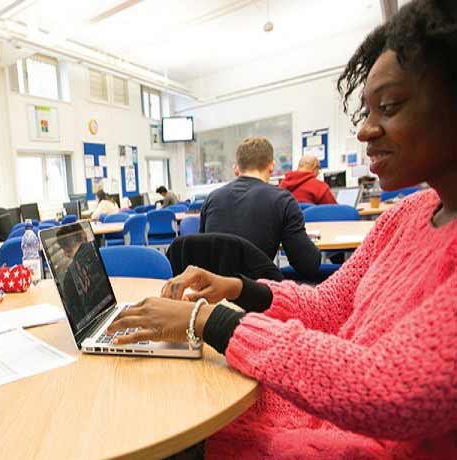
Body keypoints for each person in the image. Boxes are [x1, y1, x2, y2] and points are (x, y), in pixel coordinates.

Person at [108, 1, 457, 458]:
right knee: (159, 394)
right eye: (367, 111)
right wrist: (236, 289)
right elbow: (329, 302)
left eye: (388, 107)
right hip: (318, 410)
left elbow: (387, 390)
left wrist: (207, 320)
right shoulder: (404, 216)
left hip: (358, 441)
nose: (366, 131)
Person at [199, 137, 320, 279]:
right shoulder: (282, 200)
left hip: (214, 294)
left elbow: (202, 255)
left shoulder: (211, 199)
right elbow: (307, 265)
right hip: (258, 294)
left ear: (237, 168)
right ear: (271, 166)